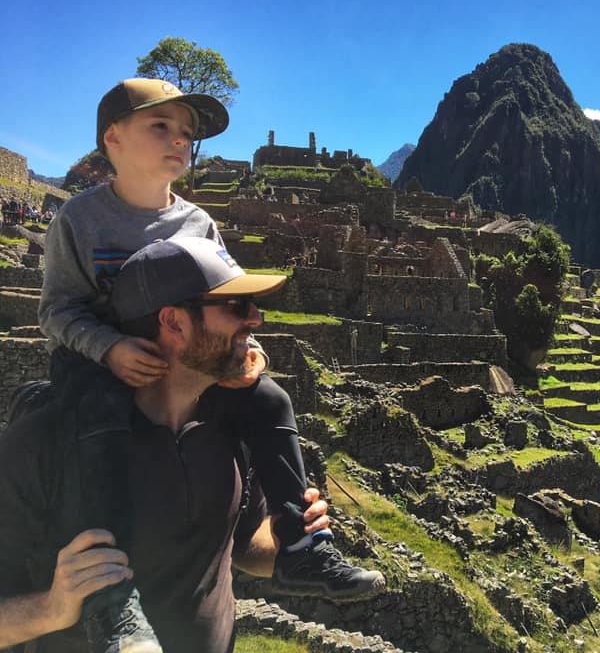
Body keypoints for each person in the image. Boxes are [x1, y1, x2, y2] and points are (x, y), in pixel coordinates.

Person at [36, 79, 384, 651]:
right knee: (95, 426)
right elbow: (57, 310)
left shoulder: (198, 223)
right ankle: (109, 597)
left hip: (183, 369)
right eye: (162, 127)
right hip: (98, 365)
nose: (180, 142)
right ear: (113, 138)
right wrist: (110, 349)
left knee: (269, 398)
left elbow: (227, 297)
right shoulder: (80, 220)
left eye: (187, 135)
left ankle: (302, 543)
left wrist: (249, 355)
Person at [0, 237, 346, 652]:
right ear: (174, 322)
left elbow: (244, 546)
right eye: (237, 306)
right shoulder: (48, 441)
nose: (255, 319)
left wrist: (291, 541)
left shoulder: (229, 428)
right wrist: (52, 609)